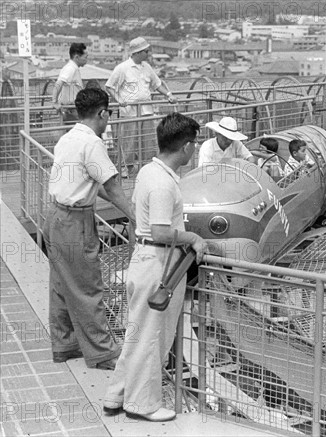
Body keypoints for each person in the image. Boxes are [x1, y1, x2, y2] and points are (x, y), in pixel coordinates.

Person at [104, 113, 208, 422]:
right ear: (186, 147)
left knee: (138, 335)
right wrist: (193, 237)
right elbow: (162, 231)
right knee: (153, 338)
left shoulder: (149, 172)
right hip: (159, 264)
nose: (196, 148)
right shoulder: (164, 183)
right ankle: (143, 404)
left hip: (145, 259)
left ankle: (117, 395)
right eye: (195, 142)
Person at [44, 88, 134, 370]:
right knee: (88, 288)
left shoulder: (68, 138)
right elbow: (112, 186)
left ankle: (65, 344)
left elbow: (94, 181)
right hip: (76, 222)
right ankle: (103, 353)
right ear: (102, 113)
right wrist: (136, 217)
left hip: (55, 216)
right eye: (109, 115)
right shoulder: (93, 143)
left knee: (60, 285)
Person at [105, 37, 178, 178]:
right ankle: (125, 167)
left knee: (148, 140)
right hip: (130, 112)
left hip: (146, 111)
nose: (148, 54)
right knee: (129, 140)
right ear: (137, 52)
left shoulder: (147, 67)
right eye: (145, 51)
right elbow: (109, 86)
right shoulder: (122, 68)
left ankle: (147, 167)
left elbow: (157, 84)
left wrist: (169, 94)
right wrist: (119, 100)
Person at [51, 43, 88, 124]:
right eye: (85, 57)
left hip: (74, 109)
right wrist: (54, 102)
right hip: (71, 110)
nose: (86, 60)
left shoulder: (73, 68)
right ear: (77, 57)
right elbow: (58, 84)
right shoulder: (70, 68)